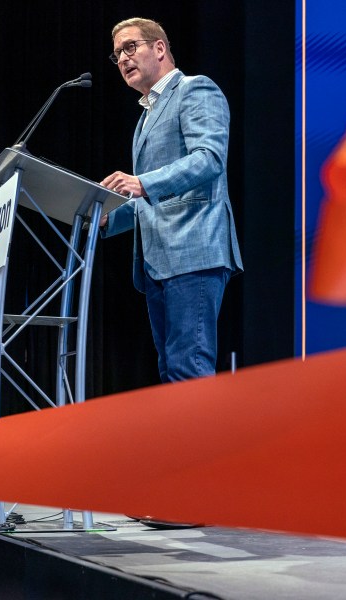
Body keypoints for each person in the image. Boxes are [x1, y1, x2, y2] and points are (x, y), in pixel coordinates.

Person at [100, 17, 243, 384]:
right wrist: (107, 217)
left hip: (193, 250)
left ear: (159, 48)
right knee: (170, 374)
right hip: (157, 261)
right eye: (117, 54)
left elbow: (209, 159)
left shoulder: (195, 90)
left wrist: (141, 182)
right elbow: (152, 197)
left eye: (130, 47)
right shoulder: (144, 117)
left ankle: (206, 444)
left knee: (188, 370)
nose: (123, 59)